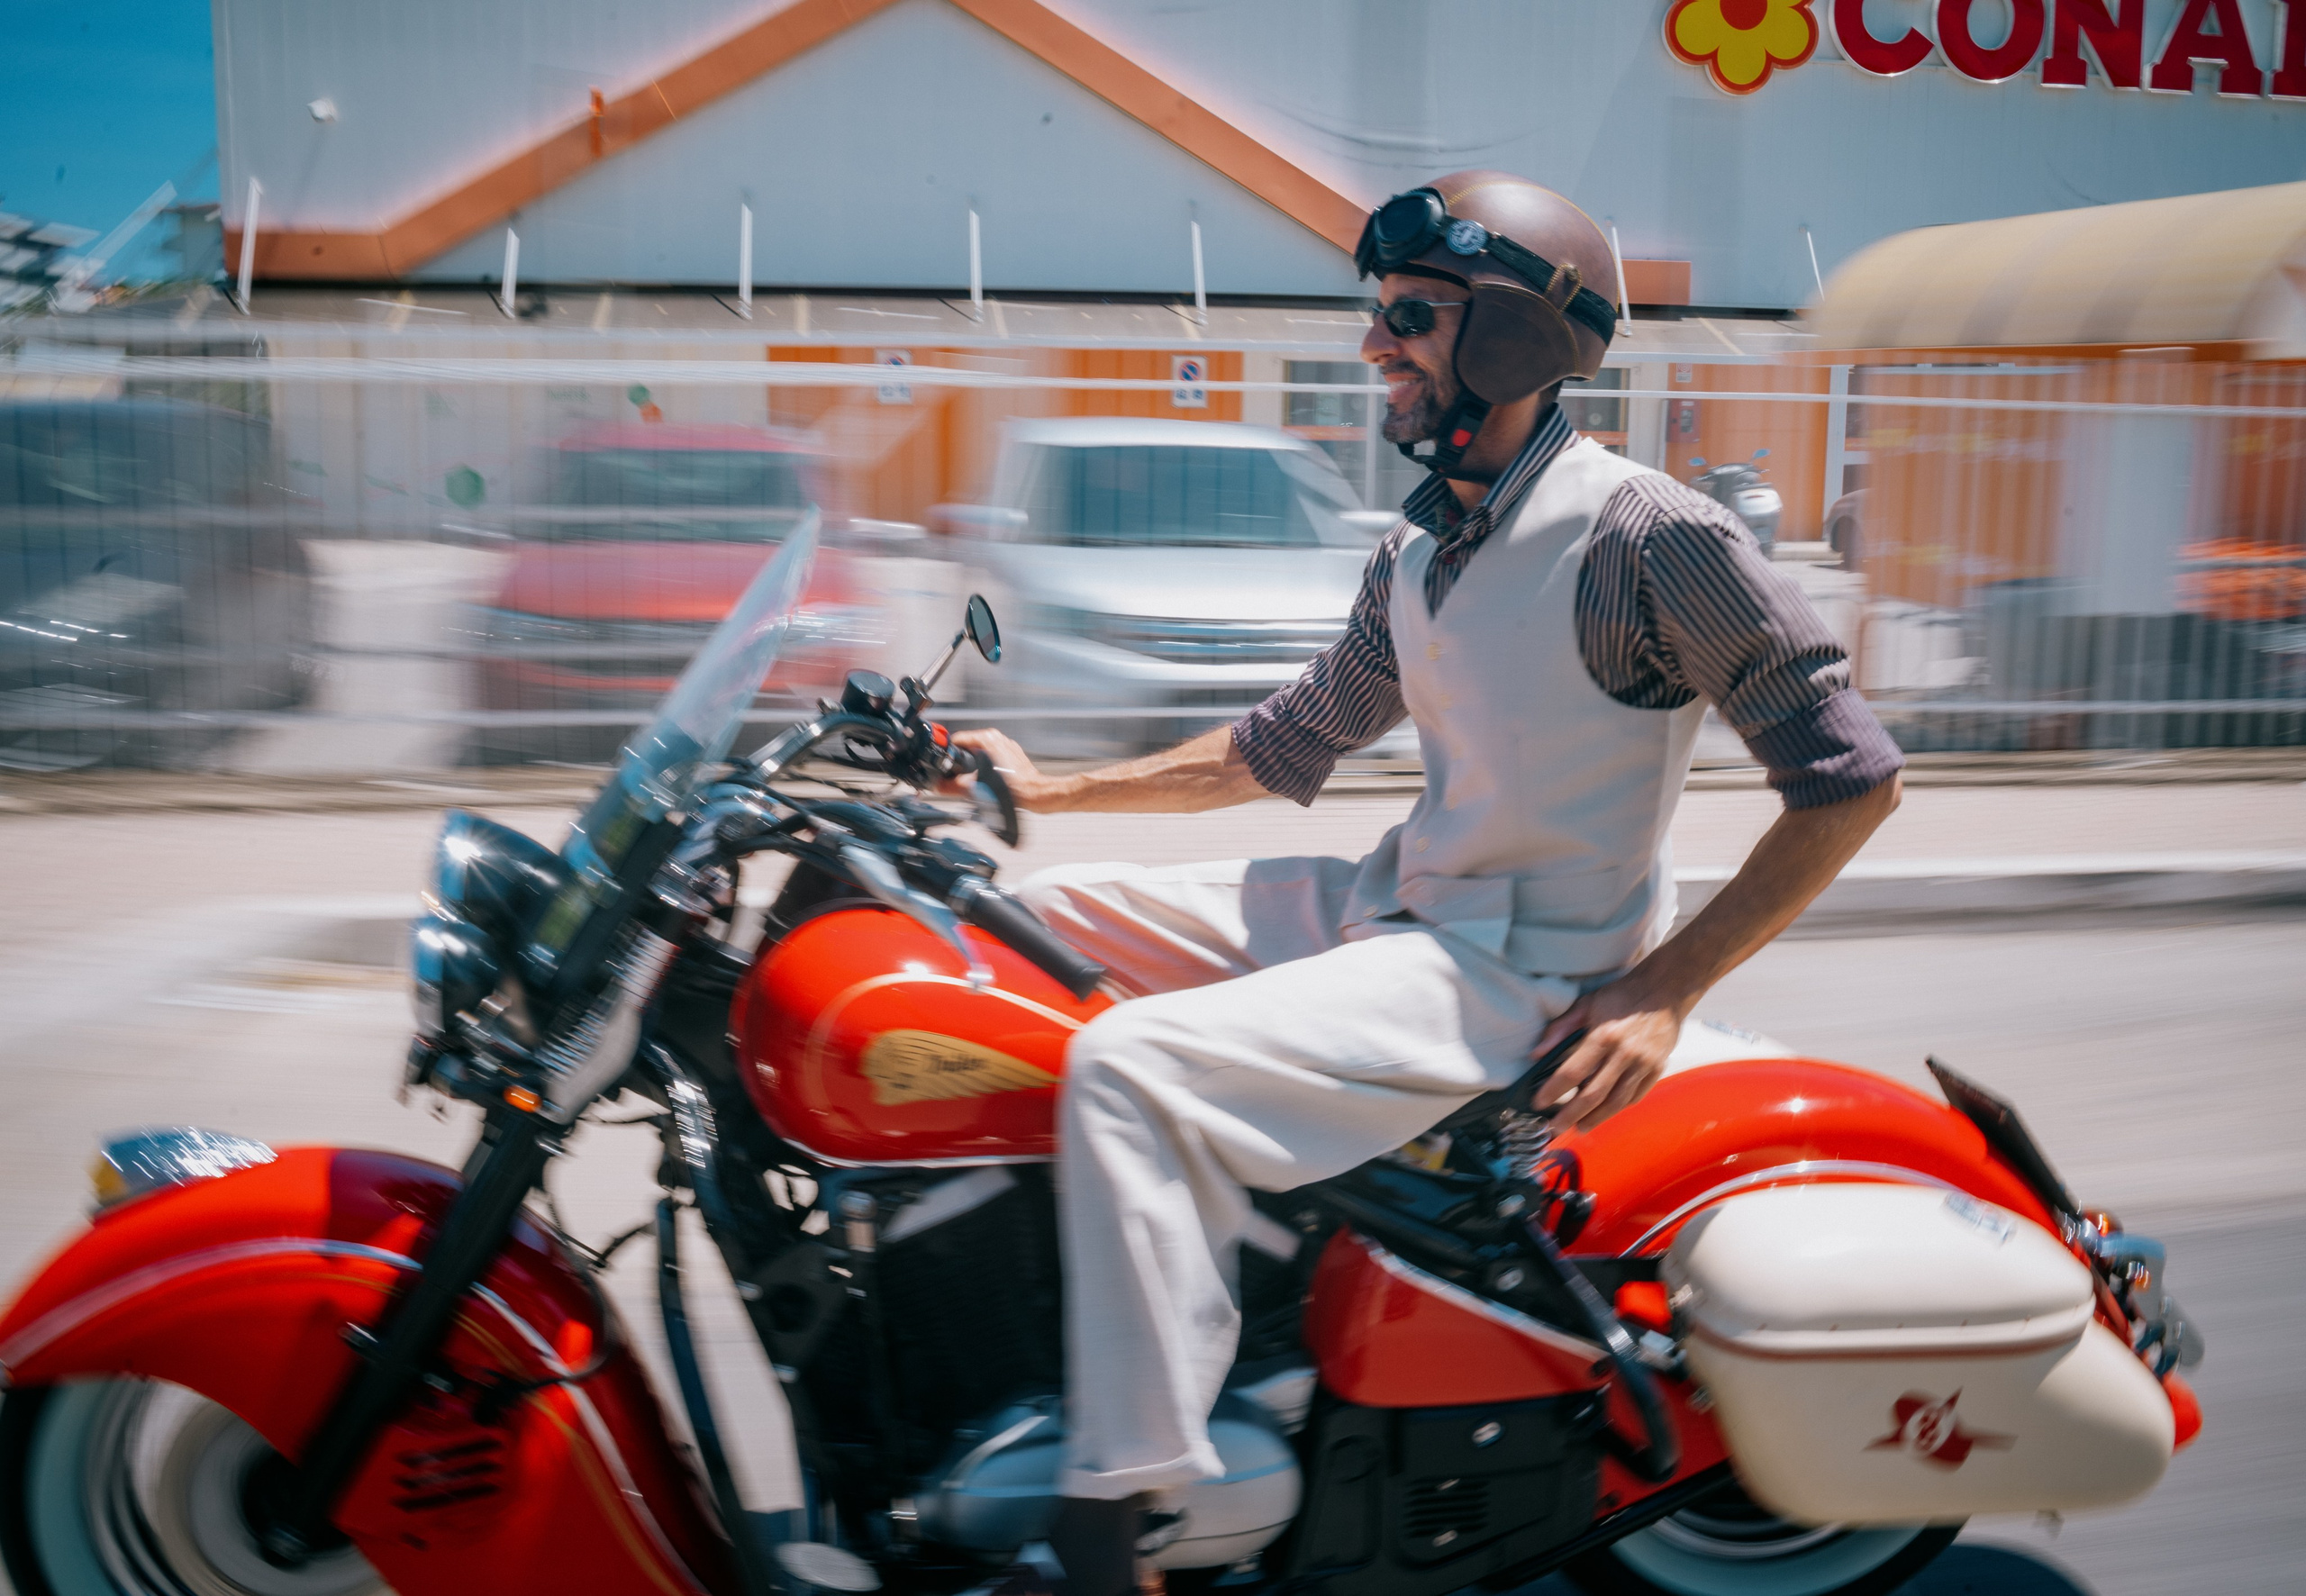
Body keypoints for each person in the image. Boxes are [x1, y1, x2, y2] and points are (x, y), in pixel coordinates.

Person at [957, 171, 1906, 1596]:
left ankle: (1129, 1502)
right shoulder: (1419, 550)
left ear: (1515, 342)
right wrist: (1047, 792)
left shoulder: (1651, 538)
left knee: (1126, 1066)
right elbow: (1283, 745)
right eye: (1381, 316)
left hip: (1513, 968)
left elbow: (1851, 776)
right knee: (1010, 927)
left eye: (1408, 317)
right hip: (1395, 901)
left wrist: (1662, 989)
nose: (1374, 347)